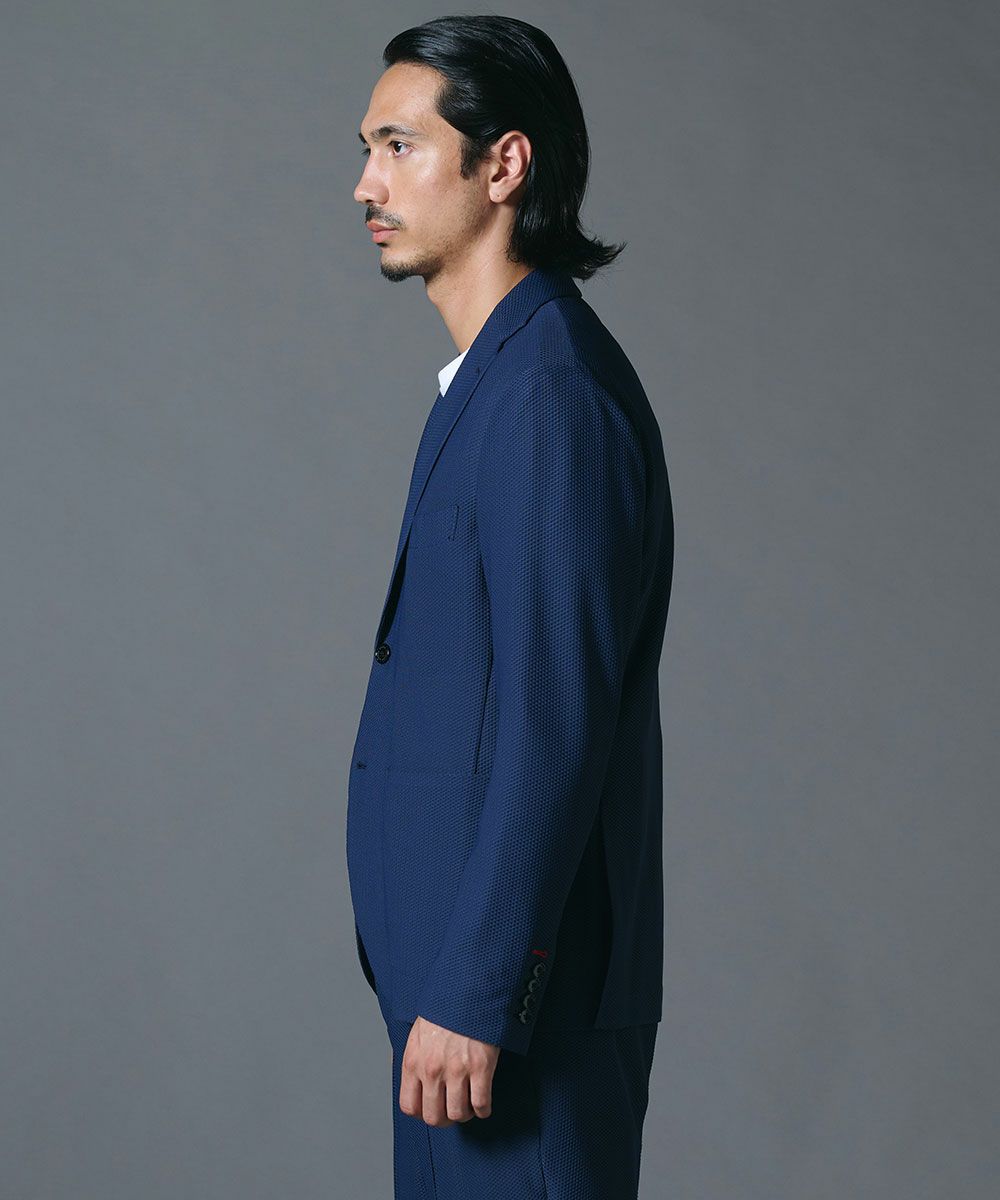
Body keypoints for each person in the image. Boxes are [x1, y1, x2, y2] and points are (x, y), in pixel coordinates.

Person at [347, 14, 674, 1198]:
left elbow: (556, 718)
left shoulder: (548, 397)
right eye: (368, 150)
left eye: (398, 146)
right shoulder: (493, 383)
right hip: (451, 1010)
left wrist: (480, 992)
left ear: (503, 165)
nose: (366, 185)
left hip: (503, 1023)